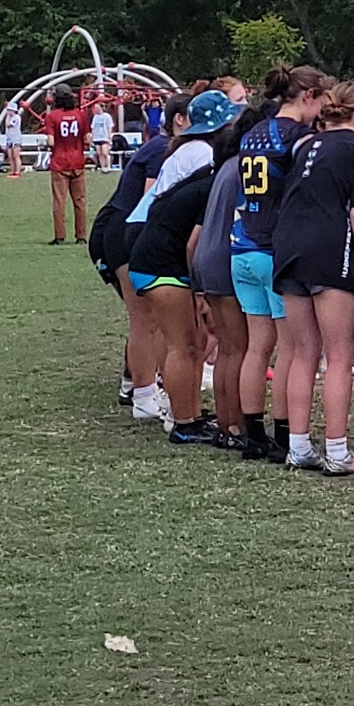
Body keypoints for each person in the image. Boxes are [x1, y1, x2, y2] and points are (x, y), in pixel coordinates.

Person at [273, 80, 354, 474]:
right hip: (329, 248)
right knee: (339, 355)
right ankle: (337, 451)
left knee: (303, 352)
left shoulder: (306, 144)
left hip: (287, 247)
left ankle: (299, 446)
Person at [126, 91, 245, 443]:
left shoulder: (203, 166)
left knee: (193, 342)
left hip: (159, 255)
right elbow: (194, 243)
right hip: (161, 262)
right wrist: (199, 290)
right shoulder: (211, 175)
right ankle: (183, 423)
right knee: (183, 345)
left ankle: (190, 414)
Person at [232, 64, 333, 459]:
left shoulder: (253, 131)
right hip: (274, 249)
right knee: (291, 348)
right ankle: (287, 434)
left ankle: (254, 435)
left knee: (257, 348)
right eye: (321, 101)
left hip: (241, 244)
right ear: (308, 96)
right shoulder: (299, 137)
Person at [93, 93, 188, 417]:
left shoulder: (164, 147)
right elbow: (151, 199)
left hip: (124, 229)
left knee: (152, 319)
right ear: (179, 119)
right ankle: (143, 393)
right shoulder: (163, 149)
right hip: (125, 231)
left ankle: (142, 387)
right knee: (146, 319)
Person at [195, 106, 260, 449]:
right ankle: (236, 425)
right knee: (239, 349)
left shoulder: (227, 165)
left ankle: (226, 423)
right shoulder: (245, 168)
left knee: (227, 349)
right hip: (227, 257)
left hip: (208, 257)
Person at [43, 86, 88, 244]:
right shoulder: (81, 115)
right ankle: (81, 236)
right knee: (80, 201)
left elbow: (51, 141)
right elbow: (88, 138)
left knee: (59, 201)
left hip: (60, 162)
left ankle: (60, 236)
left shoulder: (52, 116)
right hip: (78, 162)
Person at [90, 104, 115, 173]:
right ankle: (102, 167)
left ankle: (108, 166)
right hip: (96, 137)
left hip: (104, 137)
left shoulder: (107, 116)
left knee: (105, 152)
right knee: (99, 153)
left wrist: (109, 136)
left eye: (97, 108)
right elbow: (93, 128)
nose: (96, 109)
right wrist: (92, 137)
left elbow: (109, 127)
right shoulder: (95, 117)